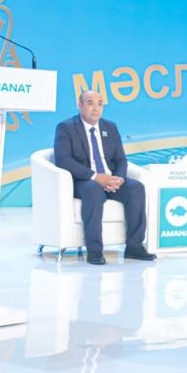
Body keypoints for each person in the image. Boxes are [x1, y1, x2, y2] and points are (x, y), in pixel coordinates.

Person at [53, 91, 157, 264]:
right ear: (80, 106)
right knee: (93, 190)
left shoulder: (110, 127)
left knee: (136, 188)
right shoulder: (66, 127)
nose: (96, 108)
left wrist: (120, 178)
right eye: (90, 103)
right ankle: (94, 251)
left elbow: (120, 160)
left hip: (110, 179)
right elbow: (63, 160)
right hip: (84, 181)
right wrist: (95, 177)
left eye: (100, 104)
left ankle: (134, 247)